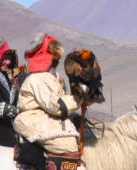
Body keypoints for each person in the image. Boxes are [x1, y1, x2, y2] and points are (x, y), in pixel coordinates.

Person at [12, 34, 83, 170]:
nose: (57, 63)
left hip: (44, 119)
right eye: (56, 59)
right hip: (34, 121)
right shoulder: (40, 79)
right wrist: (78, 98)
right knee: (66, 144)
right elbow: (57, 106)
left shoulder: (48, 77)